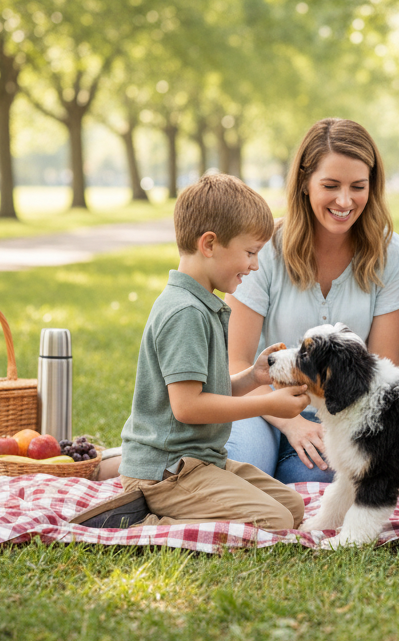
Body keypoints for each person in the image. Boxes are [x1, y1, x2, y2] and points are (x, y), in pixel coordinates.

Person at [72, 173, 310, 531]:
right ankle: (139, 519)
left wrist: (253, 378)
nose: (255, 266)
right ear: (209, 244)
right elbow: (188, 407)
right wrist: (266, 403)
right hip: (167, 473)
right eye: (249, 253)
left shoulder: (203, 305)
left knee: (291, 507)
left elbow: (205, 394)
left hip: (200, 461)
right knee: (273, 520)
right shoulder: (185, 312)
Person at [224, 118, 399, 483]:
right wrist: (291, 424)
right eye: (330, 185)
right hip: (260, 407)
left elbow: (379, 369)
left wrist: (319, 429)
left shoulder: (392, 254)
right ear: (304, 183)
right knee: (241, 471)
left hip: (341, 416)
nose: (345, 201)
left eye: (357, 187)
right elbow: (236, 361)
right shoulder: (264, 251)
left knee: (313, 481)